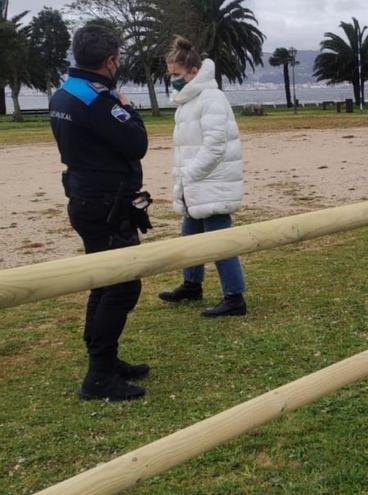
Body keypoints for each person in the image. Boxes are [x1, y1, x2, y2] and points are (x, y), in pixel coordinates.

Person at [49, 25, 153, 401]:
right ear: (110, 61)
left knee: (103, 280)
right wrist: (126, 107)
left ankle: (105, 360)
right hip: (105, 203)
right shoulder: (98, 100)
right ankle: (98, 375)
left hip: (86, 197)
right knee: (123, 283)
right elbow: (137, 143)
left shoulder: (62, 94)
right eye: (119, 58)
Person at [158, 36, 247, 317]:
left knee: (220, 242)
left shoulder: (211, 98)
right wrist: (187, 179)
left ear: (194, 72)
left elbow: (215, 145)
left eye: (176, 75)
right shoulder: (188, 101)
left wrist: (190, 174)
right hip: (196, 184)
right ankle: (192, 284)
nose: (172, 80)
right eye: (170, 75)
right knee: (190, 236)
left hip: (212, 182)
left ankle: (234, 297)